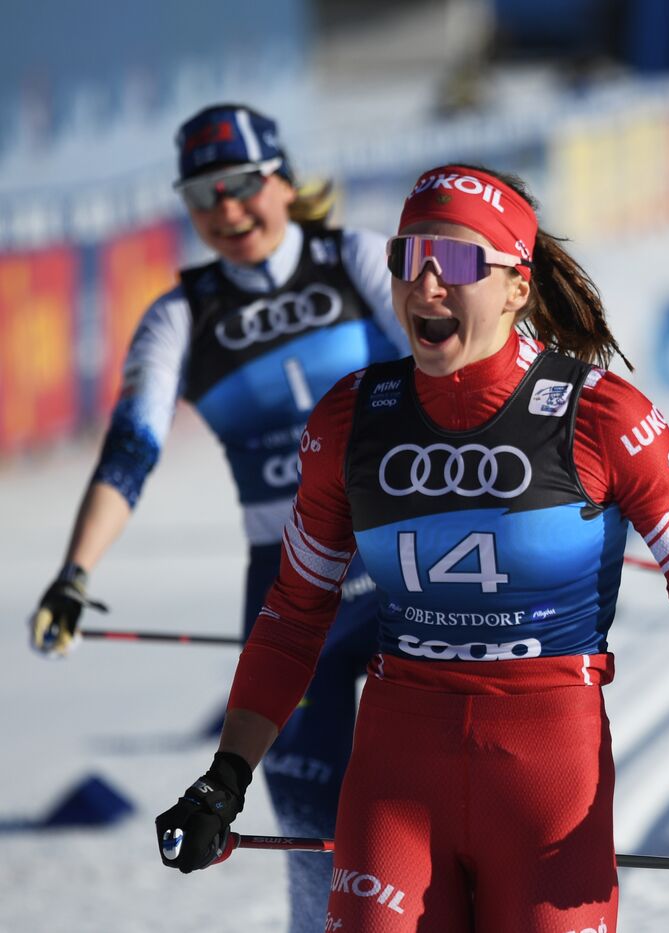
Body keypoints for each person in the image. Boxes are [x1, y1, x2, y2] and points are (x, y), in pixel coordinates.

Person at [154, 164, 669, 932]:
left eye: (457, 262)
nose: (425, 283)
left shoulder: (603, 417)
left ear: (515, 287)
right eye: (407, 258)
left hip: (546, 779)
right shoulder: (353, 419)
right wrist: (226, 776)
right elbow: (296, 614)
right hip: (397, 773)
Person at [27, 103, 409, 932]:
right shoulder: (180, 316)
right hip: (285, 584)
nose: (227, 212)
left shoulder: (355, 258)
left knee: (426, 805)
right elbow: (130, 451)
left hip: (399, 560)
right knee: (314, 835)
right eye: (203, 198)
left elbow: (454, 371)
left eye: (241, 186)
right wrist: (74, 572)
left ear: (281, 178)